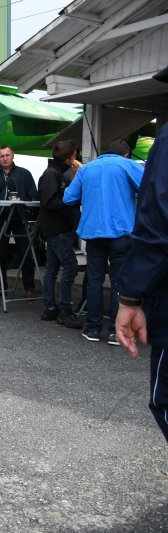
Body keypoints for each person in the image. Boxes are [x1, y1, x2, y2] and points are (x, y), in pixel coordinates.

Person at [115, 123, 168, 442]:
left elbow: (157, 219)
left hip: (100, 235)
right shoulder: (130, 168)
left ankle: (91, 323)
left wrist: (132, 297)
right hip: (119, 233)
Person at [64, 140, 144, 344]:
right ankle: (115, 332)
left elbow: (68, 198)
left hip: (93, 232)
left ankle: (92, 328)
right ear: (126, 154)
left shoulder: (86, 169)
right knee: (118, 281)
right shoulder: (127, 165)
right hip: (121, 232)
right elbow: (149, 188)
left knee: (94, 280)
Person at [0, 146, 38, 298]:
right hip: (0, 218)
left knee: (25, 252)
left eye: (7, 155)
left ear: (13, 156)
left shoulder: (24, 174)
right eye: (1, 156)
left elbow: (33, 195)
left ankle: (30, 287)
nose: (5, 158)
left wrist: (28, 212)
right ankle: (0, 286)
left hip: (20, 216)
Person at [37, 140, 83, 328]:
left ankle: (50, 308)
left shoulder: (56, 173)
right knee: (70, 266)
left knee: (52, 268)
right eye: (74, 155)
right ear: (68, 158)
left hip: (55, 228)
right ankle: (65, 311)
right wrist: (71, 202)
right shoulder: (51, 174)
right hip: (56, 228)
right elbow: (50, 202)